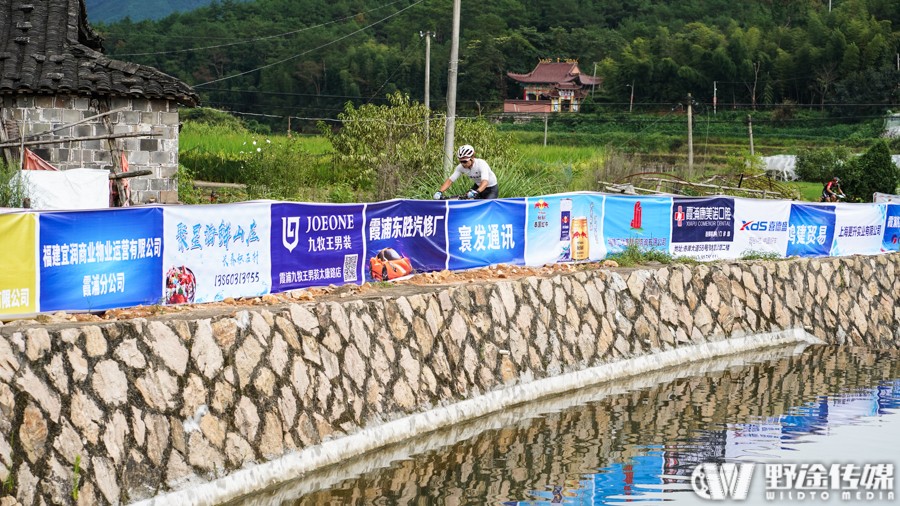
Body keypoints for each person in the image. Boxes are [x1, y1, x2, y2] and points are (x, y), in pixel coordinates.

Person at [433, 144, 499, 200]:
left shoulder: (481, 164)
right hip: (478, 186)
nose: (463, 164)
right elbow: (450, 180)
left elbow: (485, 182)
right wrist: (439, 192)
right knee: (466, 200)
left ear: (472, 158)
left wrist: (476, 192)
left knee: (488, 205)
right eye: (460, 161)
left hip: (491, 188)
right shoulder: (460, 167)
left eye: (465, 161)